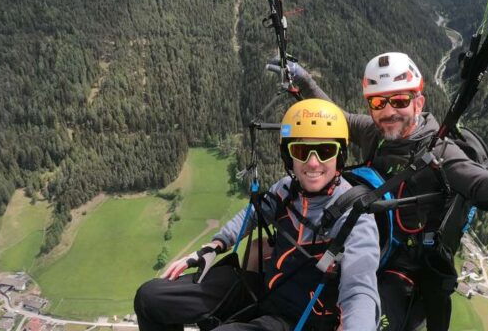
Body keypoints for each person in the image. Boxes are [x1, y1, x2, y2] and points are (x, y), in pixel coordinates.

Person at [268, 52, 488, 330]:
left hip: (405, 271)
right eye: (378, 102)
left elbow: (484, 189)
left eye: (400, 100)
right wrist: (305, 82)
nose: (389, 111)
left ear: (419, 103)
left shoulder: (441, 152)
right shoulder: (375, 133)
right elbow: (337, 117)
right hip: (364, 244)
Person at [133, 99, 380, 331]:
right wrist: (215, 245)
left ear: (340, 157)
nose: (313, 163)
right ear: (289, 157)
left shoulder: (355, 216)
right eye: (302, 150)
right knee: (150, 298)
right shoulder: (286, 189)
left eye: (325, 150)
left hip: (296, 318)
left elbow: (359, 287)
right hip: (260, 289)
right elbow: (252, 214)